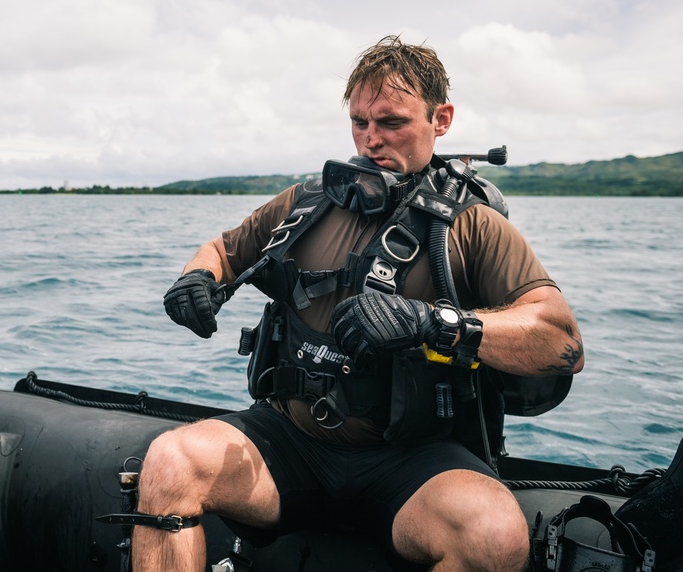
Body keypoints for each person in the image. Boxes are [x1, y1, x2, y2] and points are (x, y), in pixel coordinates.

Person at [134, 35, 585, 571]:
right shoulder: (304, 205)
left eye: (392, 122)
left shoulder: (474, 226)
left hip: (414, 462)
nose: (372, 139)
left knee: (493, 536)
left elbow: (562, 341)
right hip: (292, 443)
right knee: (169, 462)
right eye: (359, 122)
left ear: (441, 120)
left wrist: (433, 322)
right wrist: (196, 278)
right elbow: (223, 251)